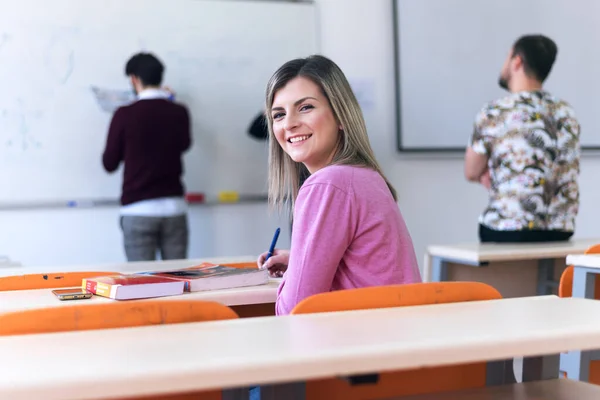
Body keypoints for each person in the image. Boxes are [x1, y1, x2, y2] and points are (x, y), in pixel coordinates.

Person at [255, 55, 421, 316]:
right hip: (393, 341)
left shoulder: (326, 185)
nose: (289, 123)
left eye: (306, 107)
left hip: (361, 346)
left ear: (341, 115)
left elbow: (293, 311)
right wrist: (300, 260)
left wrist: (297, 272)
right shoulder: (366, 176)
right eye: (278, 114)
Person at [464, 34, 580, 243]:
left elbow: (471, 171)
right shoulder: (566, 112)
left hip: (507, 229)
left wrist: (486, 173)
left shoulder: (494, 111)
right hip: (560, 230)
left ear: (517, 61)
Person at [102, 52, 192, 261]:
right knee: (179, 282)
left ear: (134, 79)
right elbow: (185, 144)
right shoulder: (179, 112)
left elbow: (109, 163)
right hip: (174, 209)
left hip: (138, 210)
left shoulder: (124, 114)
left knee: (142, 284)